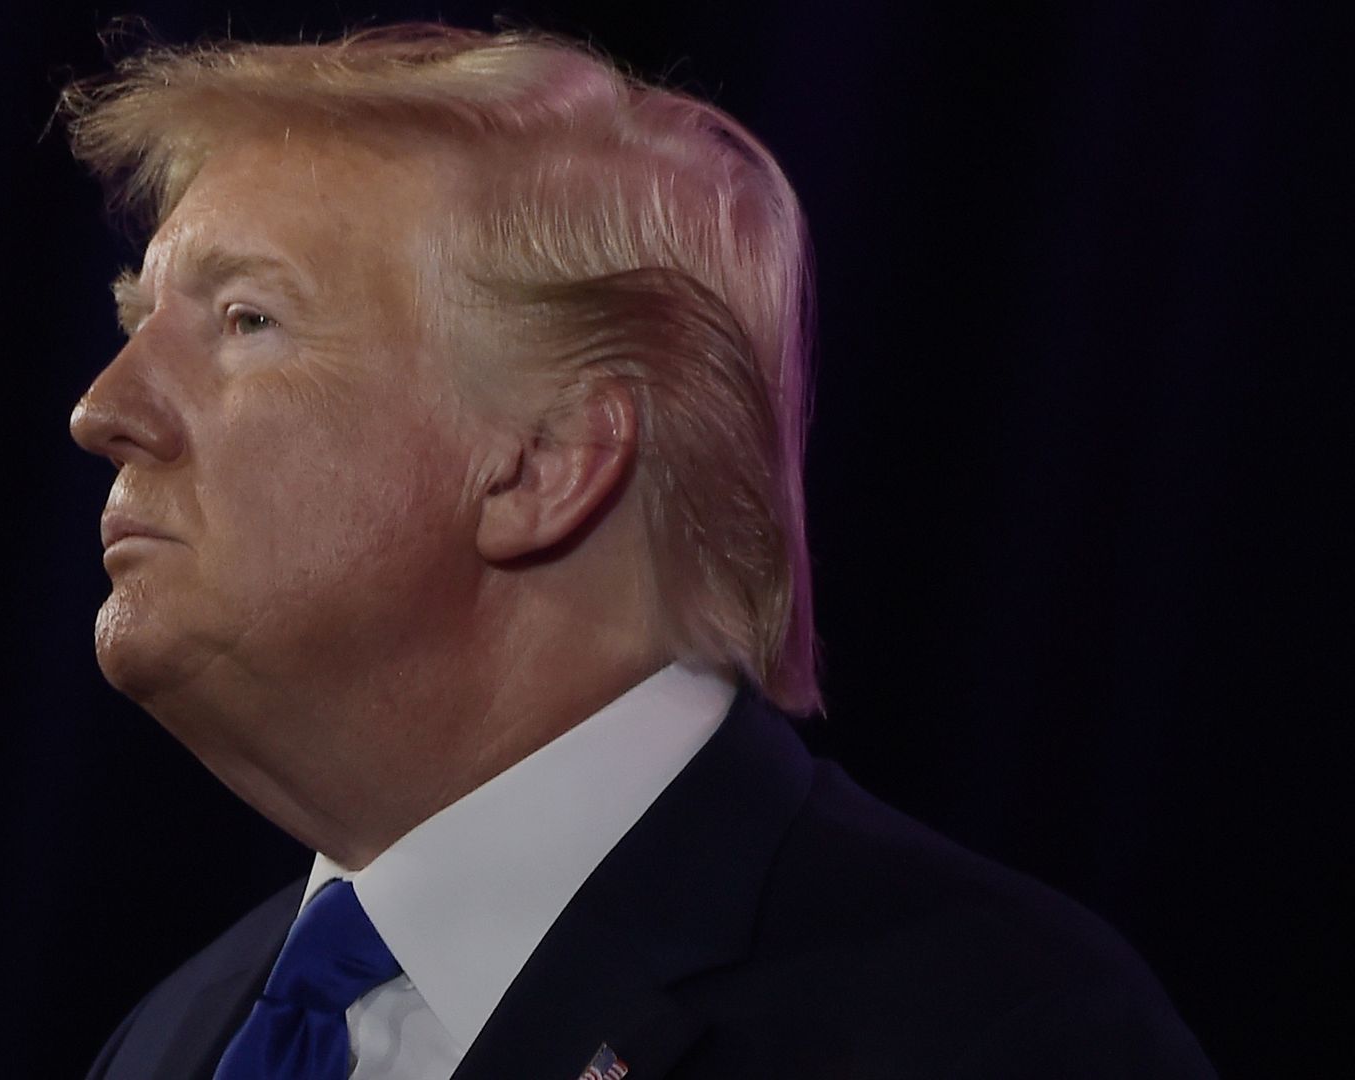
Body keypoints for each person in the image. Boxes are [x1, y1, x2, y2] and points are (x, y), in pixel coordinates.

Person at [62, 23, 1213, 1079]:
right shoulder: (177, 1036)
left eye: (247, 321)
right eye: (135, 323)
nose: (104, 409)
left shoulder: (989, 1028)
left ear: (546, 462)